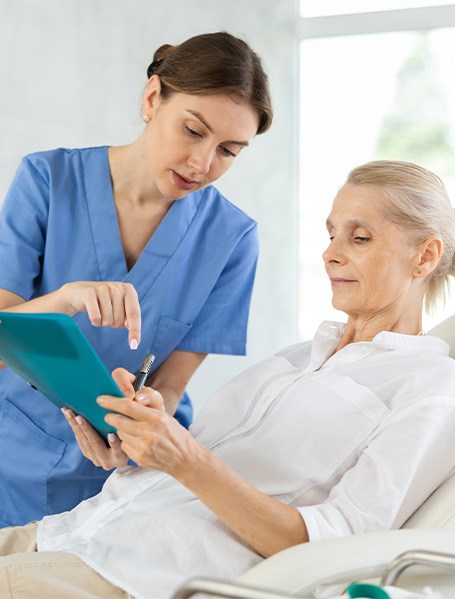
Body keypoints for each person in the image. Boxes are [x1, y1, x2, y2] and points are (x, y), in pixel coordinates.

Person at [2, 159, 455, 599]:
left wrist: (182, 458)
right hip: (70, 531)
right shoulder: (294, 359)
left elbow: (337, 547)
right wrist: (136, 442)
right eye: (331, 233)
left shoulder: (430, 389)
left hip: (138, 576)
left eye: (360, 238)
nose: (330, 253)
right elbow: (196, 464)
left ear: (425, 257)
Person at [0, 31, 273, 527]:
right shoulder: (46, 181)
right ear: (152, 99)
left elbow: (170, 386)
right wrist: (63, 300)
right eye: (193, 131)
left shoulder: (233, 239)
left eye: (229, 151)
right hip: (11, 458)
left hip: (131, 486)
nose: (202, 164)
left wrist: (148, 416)